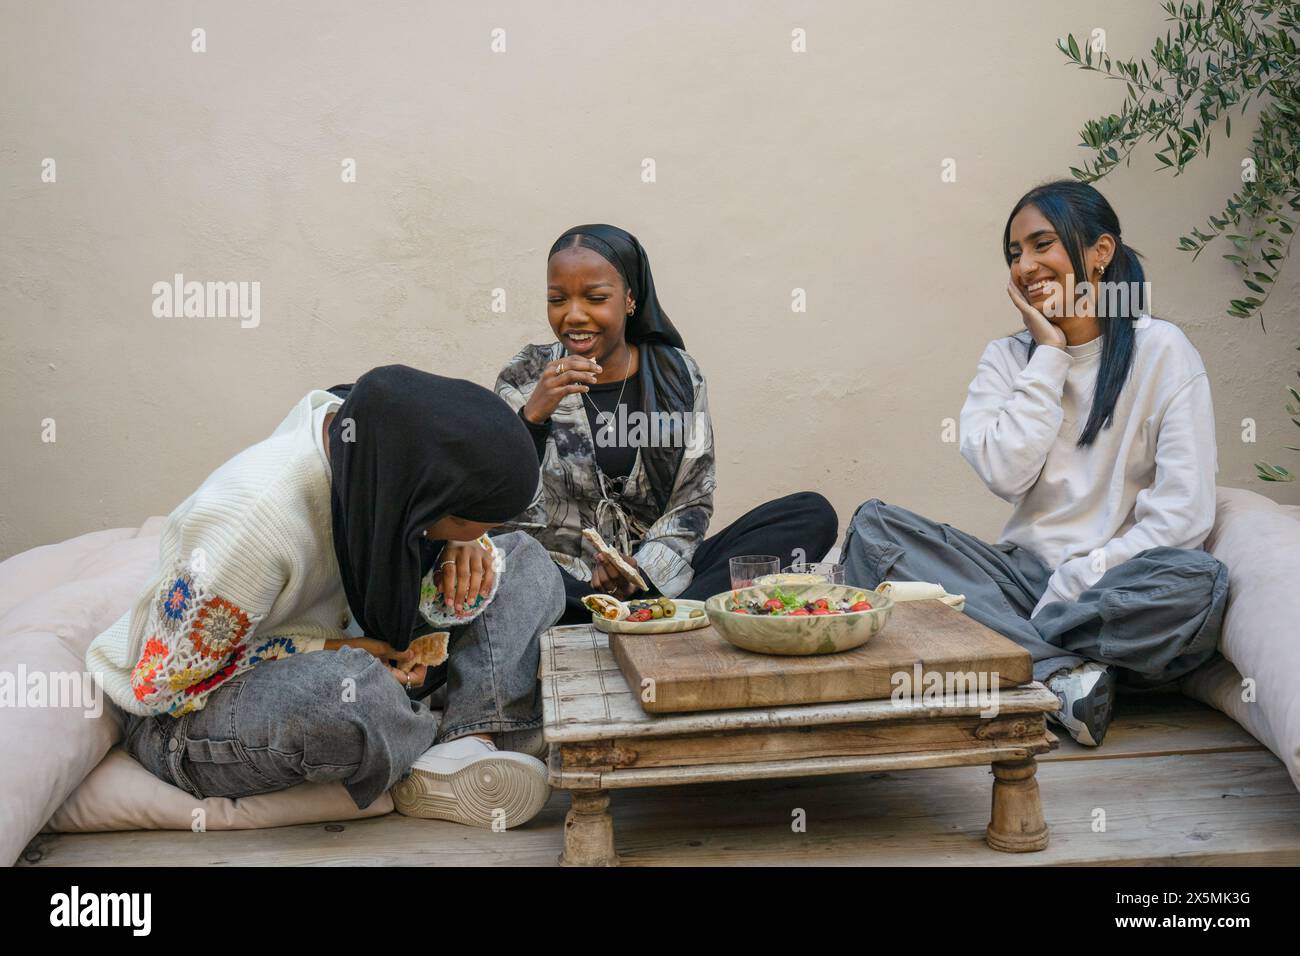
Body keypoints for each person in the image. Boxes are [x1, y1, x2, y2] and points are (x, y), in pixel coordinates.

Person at [86, 365, 565, 828]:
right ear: (425, 498)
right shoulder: (250, 526)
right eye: (459, 522)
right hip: (186, 718)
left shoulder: (372, 446)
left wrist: (464, 544)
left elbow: (415, 533)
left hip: (361, 651)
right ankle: (444, 747)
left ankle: (468, 741)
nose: (463, 534)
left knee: (524, 559)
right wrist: (335, 650)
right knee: (345, 691)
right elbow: (164, 686)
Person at [841, 181, 1228, 747]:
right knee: (875, 531)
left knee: (1199, 582)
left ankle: (1028, 655)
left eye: (1041, 244)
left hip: (1113, 590)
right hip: (1022, 580)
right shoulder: (1007, 358)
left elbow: (1184, 516)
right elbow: (1006, 473)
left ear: (1100, 252)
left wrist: (1079, 579)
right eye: (1014, 254)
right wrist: (1047, 355)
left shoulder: (1163, 351)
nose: (1025, 266)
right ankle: (1065, 675)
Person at [495, 223, 838, 623]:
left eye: (595, 298)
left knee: (811, 514)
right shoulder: (526, 375)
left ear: (629, 299)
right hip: (565, 581)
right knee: (500, 560)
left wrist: (642, 569)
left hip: (662, 575)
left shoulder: (676, 375)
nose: (573, 315)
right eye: (558, 299)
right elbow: (502, 515)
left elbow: (693, 501)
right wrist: (532, 418)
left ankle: (671, 608)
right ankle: (679, 614)